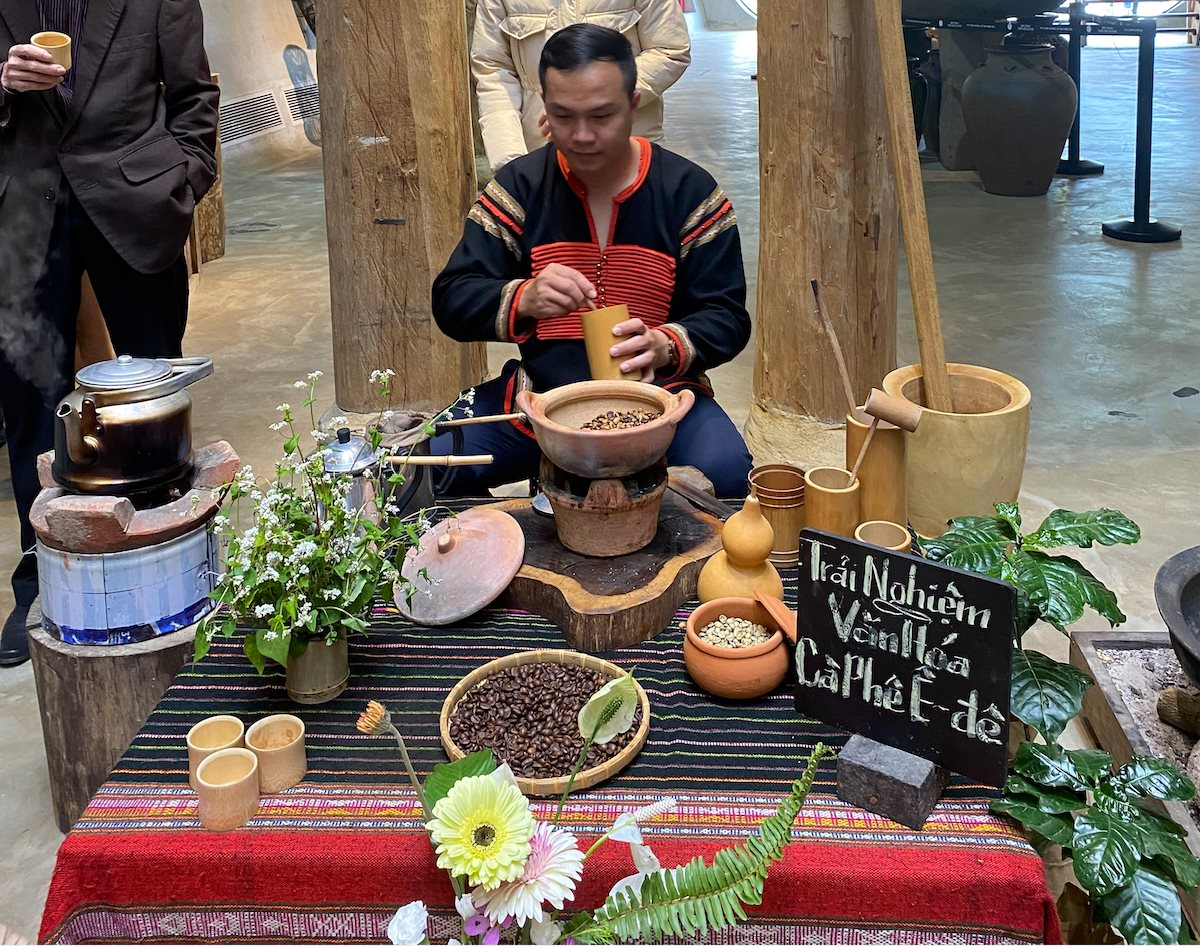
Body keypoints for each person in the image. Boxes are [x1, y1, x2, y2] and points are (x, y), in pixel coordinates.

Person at [431, 23, 752, 499]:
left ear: (633, 105)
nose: (582, 136)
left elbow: (727, 317)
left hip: (661, 401)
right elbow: (451, 299)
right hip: (540, 400)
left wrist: (665, 346)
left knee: (726, 476)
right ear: (543, 107)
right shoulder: (519, 189)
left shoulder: (690, 194)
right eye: (562, 116)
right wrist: (526, 297)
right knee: (423, 464)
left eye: (602, 116)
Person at [0, 1, 219, 667]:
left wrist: (180, 185)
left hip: (137, 204)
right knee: (34, 409)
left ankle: (176, 562)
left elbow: (194, 96)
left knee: (152, 397)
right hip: (22, 212)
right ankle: (42, 580)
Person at [472, 0, 690, 171]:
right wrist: (510, 157)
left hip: (629, 150)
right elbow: (493, 69)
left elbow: (669, 49)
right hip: (540, 151)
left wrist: (602, 99)